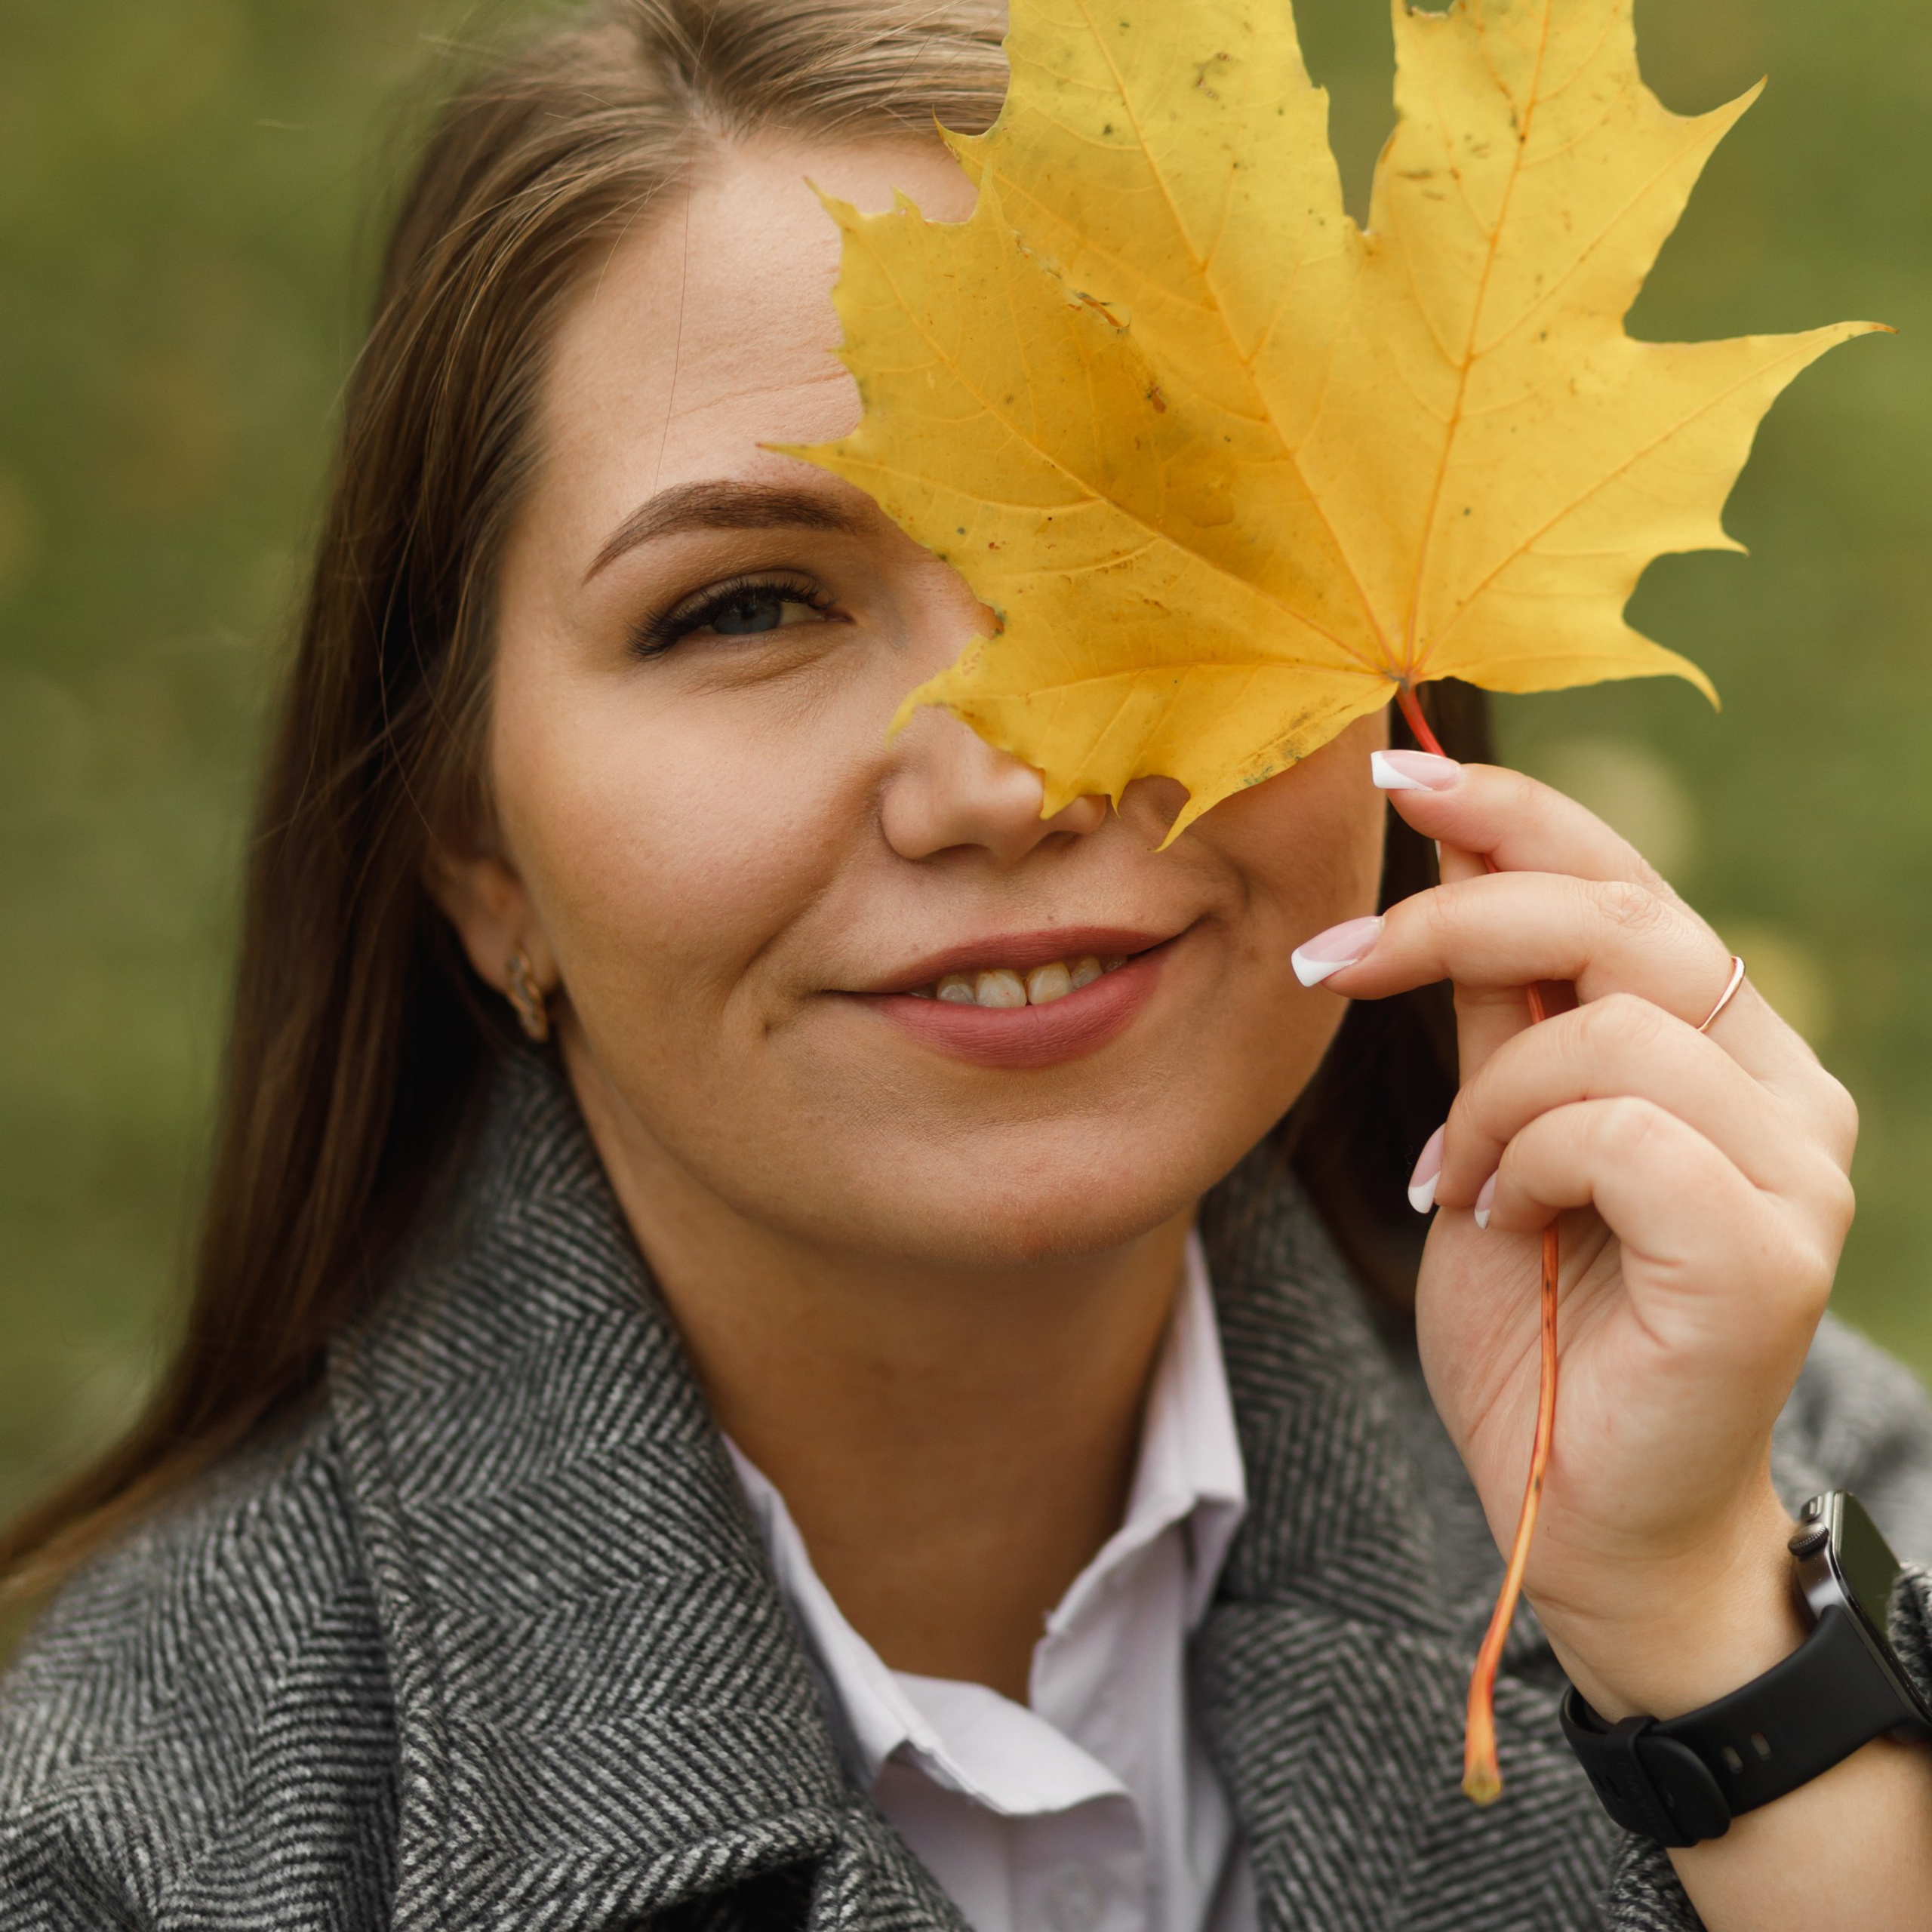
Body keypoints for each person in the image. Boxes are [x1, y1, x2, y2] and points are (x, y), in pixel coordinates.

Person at [3, 3, 1929, 1927]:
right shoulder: (128, 1845)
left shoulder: (1772, 1493)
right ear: (475, 848)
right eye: (745, 604)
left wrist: (1703, 1651)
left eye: (1157, 545)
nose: (1007, 775)